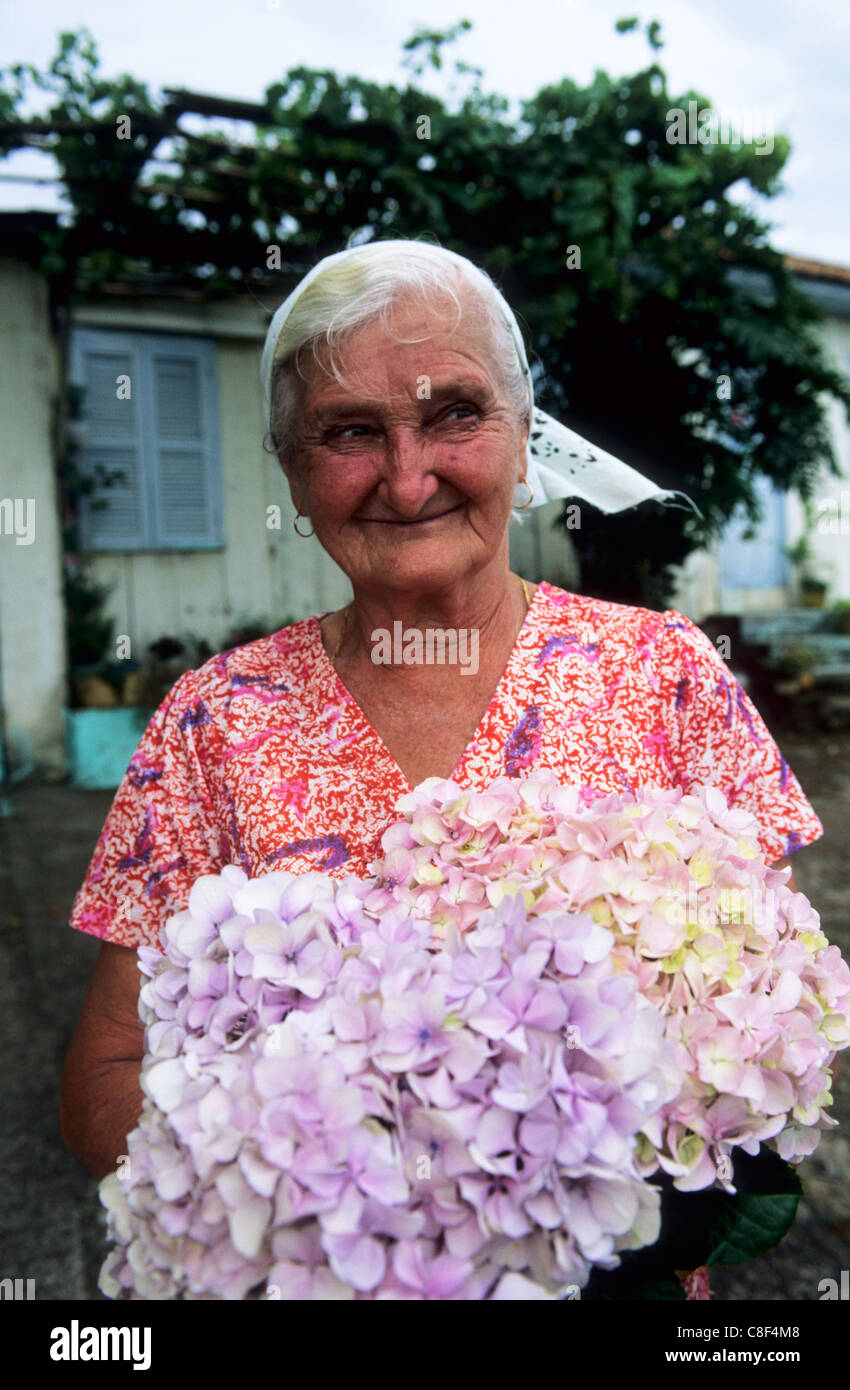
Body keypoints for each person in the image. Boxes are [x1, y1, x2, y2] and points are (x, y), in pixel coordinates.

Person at [59, 239, 823, 1297]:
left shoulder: (665, 674)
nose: (408, 477)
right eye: (350, 431)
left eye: (455, 414)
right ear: (291, 465)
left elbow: (771, 1013)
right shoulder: (211, 723)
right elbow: (104, 1075)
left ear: (523, 436)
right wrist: (295, 1201)